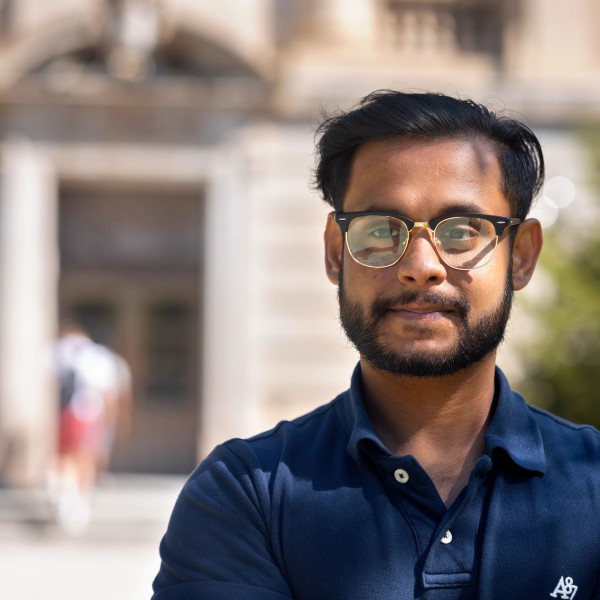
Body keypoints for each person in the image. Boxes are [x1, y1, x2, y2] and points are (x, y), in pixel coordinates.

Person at [152, 91, 600, 599]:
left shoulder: (593, 487)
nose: (421, 264)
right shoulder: (247, 494)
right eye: (381, 231)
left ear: (520, 256)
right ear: (335, 253)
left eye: (462, 232)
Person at [49, 322, 121, 534]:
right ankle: (75, 500)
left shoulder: (64, 352)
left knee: (73, 457)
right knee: (80, 458)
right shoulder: (97, 357)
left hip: (77, 412)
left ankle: (72, 499)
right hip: (84, 412)